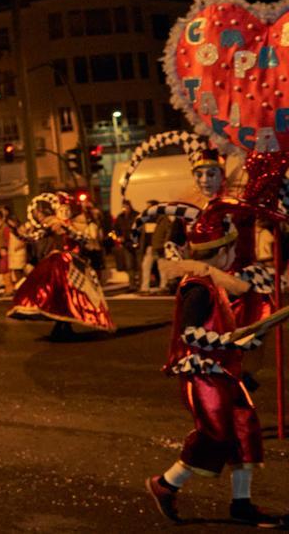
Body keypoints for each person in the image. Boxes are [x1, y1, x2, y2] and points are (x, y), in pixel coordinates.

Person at [146, 200, 287, 528]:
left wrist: (243, 340)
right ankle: (165, 485)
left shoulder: (211, 281)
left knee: (246, 430)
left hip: (225, 372)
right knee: (217, 435)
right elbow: (191, 334)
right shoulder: (197, 287)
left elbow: (222, 326)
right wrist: (228, 341)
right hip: (203, 376)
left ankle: (242, 504)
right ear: (222, 253)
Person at [8, 193, 115, 339]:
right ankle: (61, 325)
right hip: (57, 264)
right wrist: (15, 231)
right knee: (57, 294)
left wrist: (69, 229)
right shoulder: (51, 226)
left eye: (66, 210)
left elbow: (84, 239)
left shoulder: (75, 227)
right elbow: (31, 238)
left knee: (75, 296)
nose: (64, 213)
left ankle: (64, 325)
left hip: (73, 263)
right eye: (61, 210)